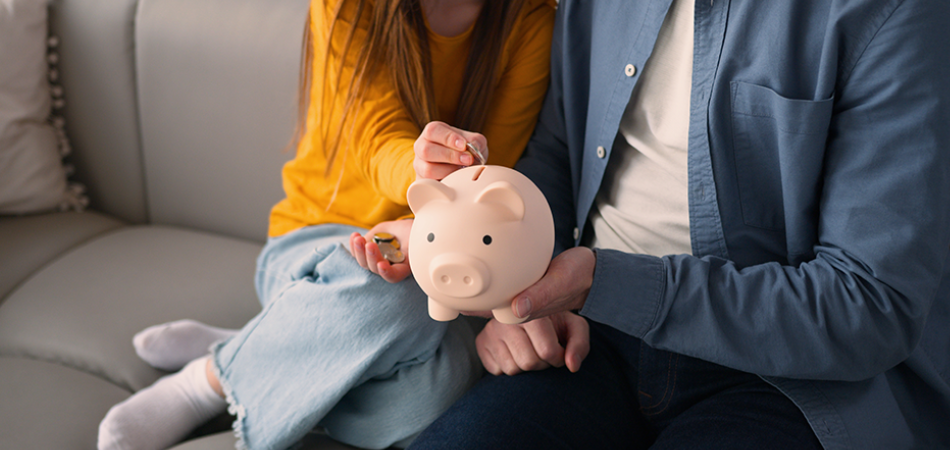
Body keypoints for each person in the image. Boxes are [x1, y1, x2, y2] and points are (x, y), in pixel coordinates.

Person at [407, 0, 950, 449]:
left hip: (787, 380)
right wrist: (515, 277)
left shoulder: (893, 14)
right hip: (588, 340)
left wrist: (603, 283)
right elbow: (558, 152)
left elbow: (872, 304)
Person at [96, 0, 555, 449]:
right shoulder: (348, 6)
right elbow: (375, 135)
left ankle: (285, 338)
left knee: (437, 396)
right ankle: (207, 382)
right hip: (315, 245)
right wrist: (420, 201)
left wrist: (425, 236)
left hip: (443, 256)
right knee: (399, 298)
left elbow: (496, 166)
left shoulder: (529, 19)